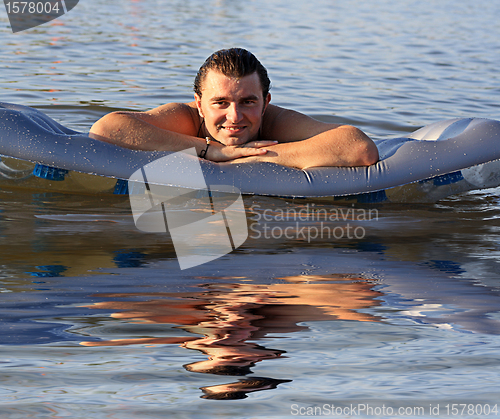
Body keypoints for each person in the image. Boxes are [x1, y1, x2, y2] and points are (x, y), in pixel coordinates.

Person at [90, 48, 379, 170]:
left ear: (265, 103)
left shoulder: (276, 122)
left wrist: (256, 157)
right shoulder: (186, 119)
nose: (235, 116)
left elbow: (358, 147)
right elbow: (106, 128)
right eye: (220, 103)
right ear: (199, 104)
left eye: (248, 102)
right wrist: (211, 150)